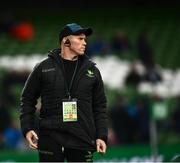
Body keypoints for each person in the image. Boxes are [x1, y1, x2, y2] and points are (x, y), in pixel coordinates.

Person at [20, 23, 108, 162]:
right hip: (50, 137)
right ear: (66, 41)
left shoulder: (92, 71)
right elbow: (27, 99)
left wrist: (101, 136)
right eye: (80, 39)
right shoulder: (43, 68)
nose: (84, 43)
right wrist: (27, 128)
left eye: (85, 39)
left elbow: (100, 106)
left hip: (82, 137)